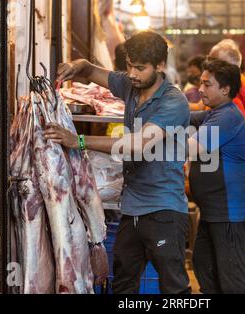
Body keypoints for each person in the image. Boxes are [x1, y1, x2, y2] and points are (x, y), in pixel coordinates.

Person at [47, 31, 191, 294]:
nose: (132, 73)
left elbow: (137, 144)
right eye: (129, 66)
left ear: (160, 66)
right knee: (123, 284)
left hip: (164, 209)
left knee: (174, 289)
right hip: (132, 208)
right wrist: (74, 67)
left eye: (139, 68)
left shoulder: (173, 101)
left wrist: (77, 141)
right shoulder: (130, 85)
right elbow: (90, 70)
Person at [188, 59, 245, 294]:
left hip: (230, 212)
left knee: (232, 278)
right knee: (204, 265)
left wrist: (144, 143)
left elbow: (191, 148)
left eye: (207, 85)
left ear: (225, 89)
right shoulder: (213, 114)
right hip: (214, 211)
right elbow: (184, 117)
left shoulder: (227, 116)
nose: (201, 89)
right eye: (200, 84)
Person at [209, 39, 245, 171]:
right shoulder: (235, 84)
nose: (207, 65)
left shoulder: (230, 92)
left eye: (212, 62)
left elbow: (238, 124)